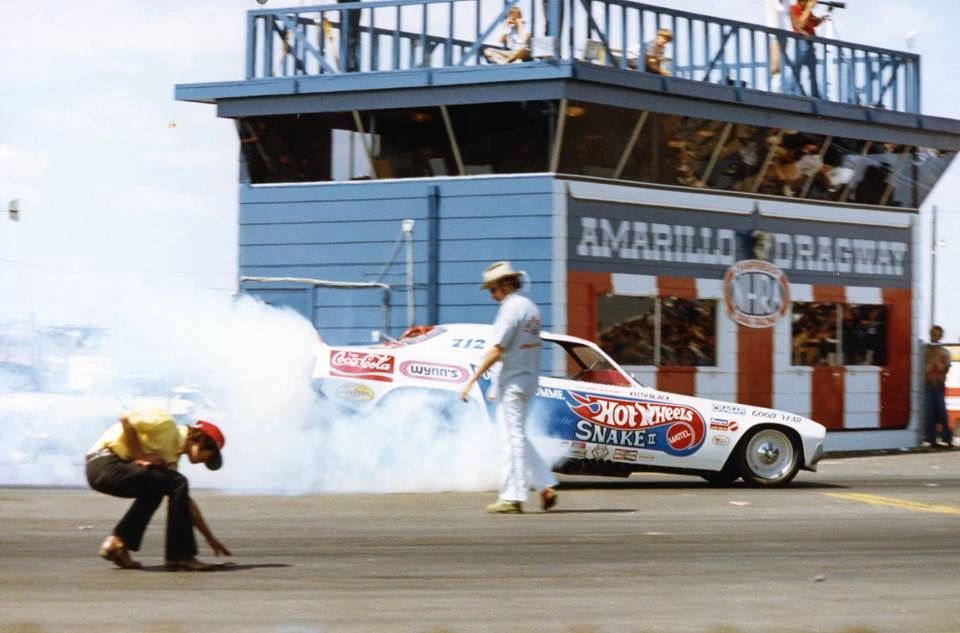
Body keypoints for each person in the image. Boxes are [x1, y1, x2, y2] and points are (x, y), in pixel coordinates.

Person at [460, 261, 558, 513]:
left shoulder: (510, 309)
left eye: (493, 290)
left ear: (504, 285)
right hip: (527, 379)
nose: (492, 296)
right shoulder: (531, 308)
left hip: (513, 381)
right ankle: (545, 484)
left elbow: (497, 349)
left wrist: (471, 380)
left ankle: (513, 496)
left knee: (510, 439)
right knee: (518, 436)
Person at [86, 408, 231, 570]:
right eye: (209, 456)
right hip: (104, 463)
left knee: (160, 488)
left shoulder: (171, 460)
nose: (204, 462)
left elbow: (184, 503)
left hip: (109, 471)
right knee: (176, 482)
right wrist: (140, 456)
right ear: (201, 440)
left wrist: (209, 538)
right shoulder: (166, 424)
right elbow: (126, 418)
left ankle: (117, 543)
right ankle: (181, 556)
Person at [924, 325, 953, 448]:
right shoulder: (925, 351)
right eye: (933, 334)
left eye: (937, 334)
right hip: (929, 385)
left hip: (939, 385)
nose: (935, 337)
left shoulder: (944, 352)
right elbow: (925, 369)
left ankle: (946, 438)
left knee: (942, 412)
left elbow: (945, 368)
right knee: (930, 413)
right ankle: (932, 439)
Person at [789, 0, 824, 98]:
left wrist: (827, 13)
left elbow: (814, 23)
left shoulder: (806, 10)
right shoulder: (794, 8)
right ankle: (792, 92)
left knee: (813, 73)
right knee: (797, 69)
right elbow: (800, 24)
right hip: (801, 43)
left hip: (810, 44)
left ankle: (815, 95)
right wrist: (808, 8)